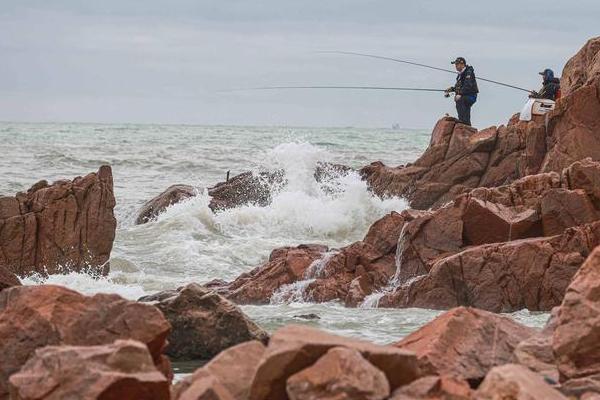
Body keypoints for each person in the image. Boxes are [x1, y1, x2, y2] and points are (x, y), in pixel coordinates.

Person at [445, 57, 479, 126]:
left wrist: (460, 94)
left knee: (460, 100)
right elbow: (460, 87)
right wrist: (452, 89)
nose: (456, 66)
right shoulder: (461, 74)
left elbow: (467, 85)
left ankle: (463, 121)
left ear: (462, 64)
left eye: (457, 64)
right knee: (463, 106)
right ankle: (466, 124)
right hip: (466, 95)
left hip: (471, 96)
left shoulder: (468, 72)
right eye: (455, 65)